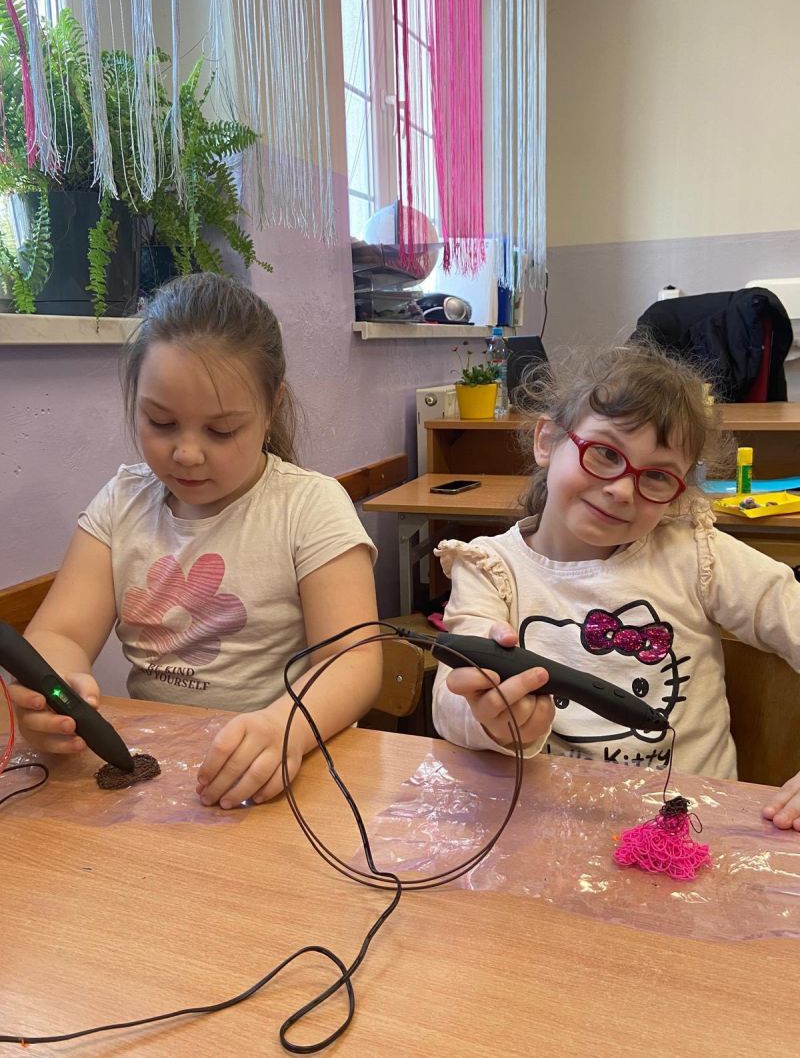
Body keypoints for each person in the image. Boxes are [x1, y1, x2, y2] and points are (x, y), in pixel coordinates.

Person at [11, 273, 382, 808]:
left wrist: (286, 725)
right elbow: (60, 632)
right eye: (160, 422)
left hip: (280, 777)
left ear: (271, 407)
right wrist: (53, 689)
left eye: (221, 431)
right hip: (159, 777)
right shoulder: (122, 502)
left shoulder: (310, 506)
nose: (186, 453)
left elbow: (353, 660)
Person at [432, 342, 800, 830]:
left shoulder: (696, 554)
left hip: (692, 828)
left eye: (657, 476)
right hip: (547, 825)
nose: (622, 489)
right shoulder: (490, 567)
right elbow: (451, 704)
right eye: (605, 453)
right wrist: (491, 720)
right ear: (548, 440)